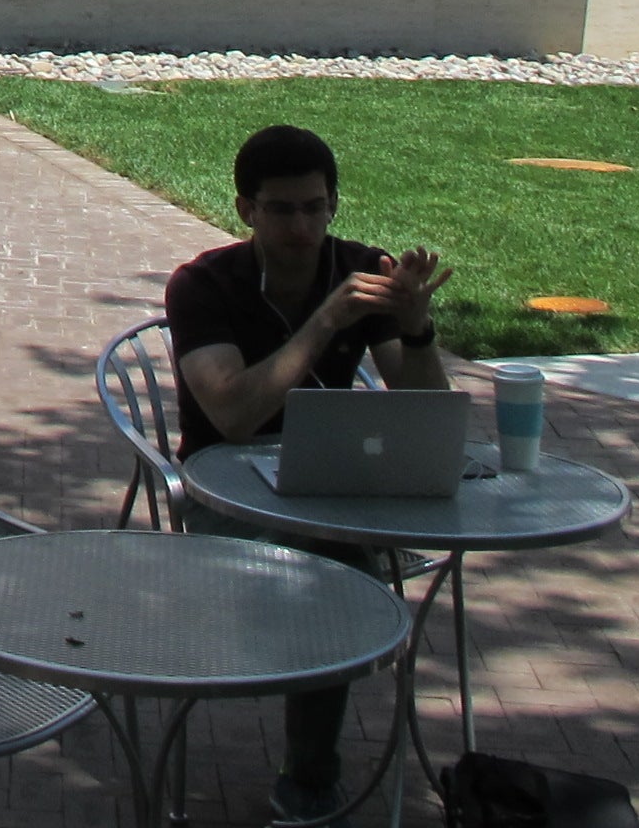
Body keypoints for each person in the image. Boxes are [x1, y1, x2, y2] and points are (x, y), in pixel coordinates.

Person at [162, 123, 453, 827]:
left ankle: (338, 649)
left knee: (340, 555)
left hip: (334, 486)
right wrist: (322, 323)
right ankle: (311, 776)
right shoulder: (203, 286)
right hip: (222, 491)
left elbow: (429, 415)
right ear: (246, 210)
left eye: (315, 208)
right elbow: (232, 415)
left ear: (333, 206)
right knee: (338, 567)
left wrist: (415, 328)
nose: (301, 226)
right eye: (283, 209)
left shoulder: (361, 269)